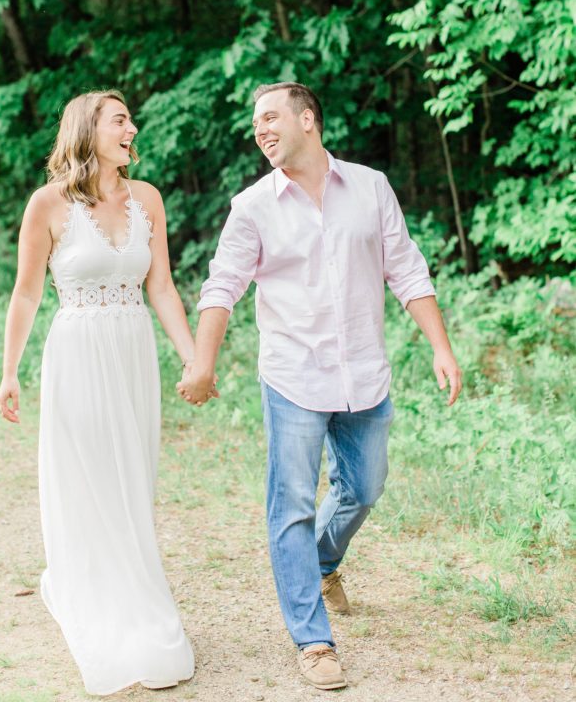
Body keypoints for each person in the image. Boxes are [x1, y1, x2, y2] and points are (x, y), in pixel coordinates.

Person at [178, 81, 462, 691]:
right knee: (292, 507)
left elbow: (405, 266)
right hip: (293, 376)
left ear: (308, 119)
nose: (261, 130)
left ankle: (323, 563)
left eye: (271, 117)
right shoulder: (251, 207)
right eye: (256, 122)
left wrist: (440, 345)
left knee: (364, 485)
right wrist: (202, 363)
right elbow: (222, 286)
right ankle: (313, 641)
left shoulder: (370, 187)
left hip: (365, 372)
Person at [0, 90, 197, 695]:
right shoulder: (48, 204)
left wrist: (195, 359)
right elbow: (27, 293)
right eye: (120, 120)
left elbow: (161, 287)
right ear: (89, 131)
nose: (132, 128)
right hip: (78, 353)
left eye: (130, 120)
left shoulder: (150, 200)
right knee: (90, 479)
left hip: (133, 351)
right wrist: (10, 372)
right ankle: (99, 601)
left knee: (132, 478)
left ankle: (136, 592)